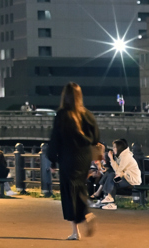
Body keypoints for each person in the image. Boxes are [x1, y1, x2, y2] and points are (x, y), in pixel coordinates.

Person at [45, 82, 100, 240]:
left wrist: (53, 159)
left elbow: (55, 139)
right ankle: (85, 215)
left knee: (69, 193)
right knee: (80, 188)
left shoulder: (62, 115)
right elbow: (96, 136)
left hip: (68, 157)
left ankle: (77, 230)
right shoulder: (87, 114)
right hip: (83, 157)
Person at [92, 138, 141, 209]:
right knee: (110, 176)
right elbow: (117, 170)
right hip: (125, 177)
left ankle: (108, 199)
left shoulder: (125, 157)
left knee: (111, 177)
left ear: (119, 148)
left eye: (115, 147)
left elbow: (118, 171)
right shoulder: (120, 156)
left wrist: (111, 159)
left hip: (131, 180)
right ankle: (108, 200)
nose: (113, 149)